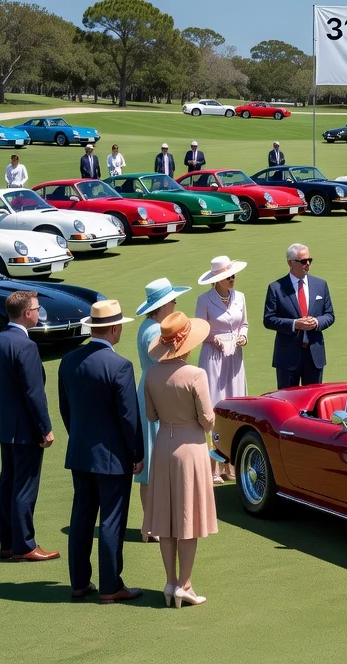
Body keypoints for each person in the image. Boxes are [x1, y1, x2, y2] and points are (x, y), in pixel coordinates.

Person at [59, 300, 144, 604]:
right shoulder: (120, 366)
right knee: (111, 520)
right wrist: (137, 453)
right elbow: (128, 417)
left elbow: (65, 409)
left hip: (80, 454)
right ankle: (110, 585)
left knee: (82, 518)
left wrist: (80, 438)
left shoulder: (68, 361)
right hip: (112, 459)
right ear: (113, 329)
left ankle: (80, 583)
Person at [143, 311, 219, 608]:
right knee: (188, 519)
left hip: (163, 444)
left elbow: (150, 415)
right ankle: (184, 585)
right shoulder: (195, 374)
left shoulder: (151, 373)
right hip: (191, 447)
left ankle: (170, 581)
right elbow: (208, 419)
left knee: (166, 518)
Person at [0, 290, 57, 562]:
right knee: (25, 486)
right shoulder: (27, 346)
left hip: (5, 424)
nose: (39, 313)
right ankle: (25, 545)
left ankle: (9, 544)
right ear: (27, 313)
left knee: (8, 483)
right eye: (37, 309)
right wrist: (45, 427)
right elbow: (33, 392)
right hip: (26, 428)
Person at [134, 278, 191, 543]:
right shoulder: (153, 331)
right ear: (164, 305)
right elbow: (166, 361)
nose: (175, 305)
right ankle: (152, 525)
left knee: (153, 459)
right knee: (151, 462)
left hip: (153, 391)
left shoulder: (151, 326)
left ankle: (152, 524)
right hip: (155, 394)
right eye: (173, 302)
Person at [195, 256, 248, 483]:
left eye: (233, 275)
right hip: (214, 357)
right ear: (217, 280)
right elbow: (199, 329)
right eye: (228, 276)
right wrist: (215, 339)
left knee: (235, 407)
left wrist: (243, 336)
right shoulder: (204, 300)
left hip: (234, 357)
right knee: (215, 408)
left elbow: (244, 323)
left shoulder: (240, 297)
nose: (232, 279)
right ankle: (214, 468)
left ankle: (232, 466)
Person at [263, 243, 334, 389]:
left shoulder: (320, 285)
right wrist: (295, 324)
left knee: (314, 401)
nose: (307, 264)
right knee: (288, 402)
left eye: (310, 260)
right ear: (290, 263)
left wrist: (316, 322)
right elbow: (269, 319)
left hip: (314, 356)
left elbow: (329, 315)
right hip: (288, 357)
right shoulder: (276, 288)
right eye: (303, 261)